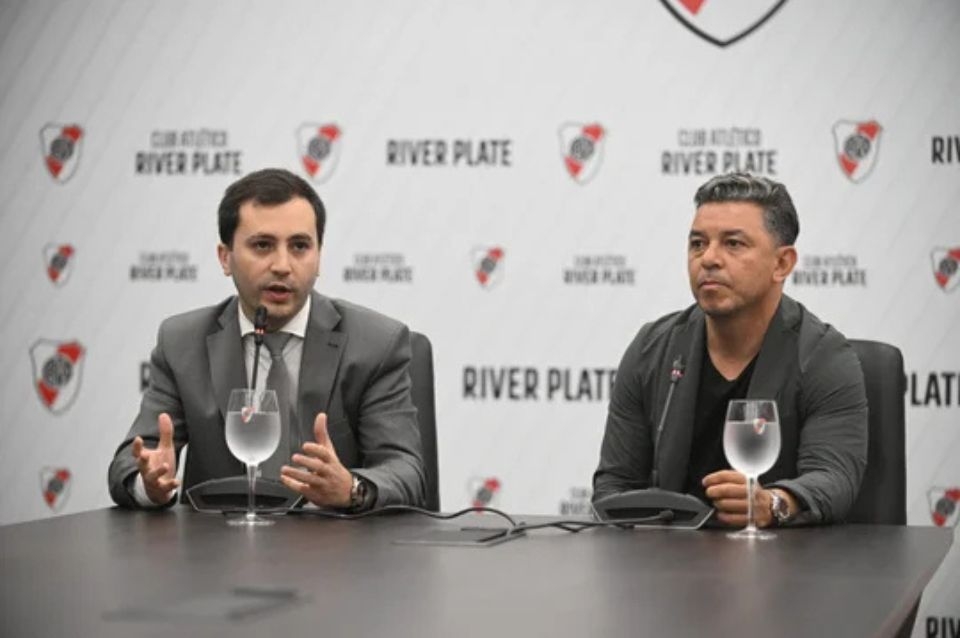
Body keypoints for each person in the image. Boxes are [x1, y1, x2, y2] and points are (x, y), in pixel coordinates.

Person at [108, 168, 425, 510]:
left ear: (318, 257)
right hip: (217, 541)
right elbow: (131, 461)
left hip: (332, 540)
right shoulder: (182, 343)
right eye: (263, 245)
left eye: (300, 246)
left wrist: (351, 488)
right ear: (225, 257)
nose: (282, 265)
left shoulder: (375, 344)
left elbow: (405, 471)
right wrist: (149, 483)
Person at [592, 173, 868, 527]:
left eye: (733, 244)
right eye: (697, 243)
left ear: (782, 264)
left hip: (779, 556)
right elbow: (615, 485)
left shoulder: (824, 357)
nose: (708, 258)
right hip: (667, 552)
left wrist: (773, 503)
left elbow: (834, 477)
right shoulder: (651, 348)